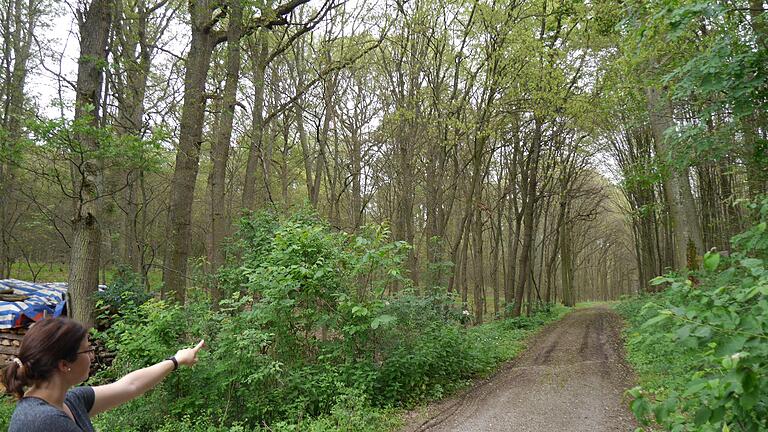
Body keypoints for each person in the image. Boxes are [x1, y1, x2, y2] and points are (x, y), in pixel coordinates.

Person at [1, 316, 204, 432]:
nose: (92, 355)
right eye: (87, 350)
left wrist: (176, 360)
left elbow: (129, 386)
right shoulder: (44, 421)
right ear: (64, 364)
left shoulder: (68, 401)